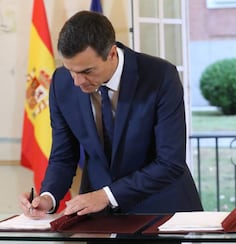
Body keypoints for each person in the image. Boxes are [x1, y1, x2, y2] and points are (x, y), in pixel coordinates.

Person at [20, 10, 203, 217]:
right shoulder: (61, 84)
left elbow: (170, 163)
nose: (77, 82)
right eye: (71, 70)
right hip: (98, 219)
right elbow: (63, 156)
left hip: (162, 211)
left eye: (87, 71)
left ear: (112, 54)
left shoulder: (160, 77)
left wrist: (107, 195)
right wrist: (48, 197)